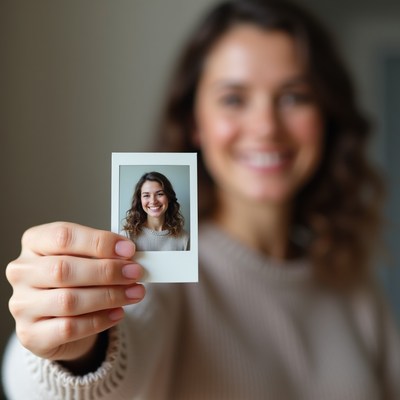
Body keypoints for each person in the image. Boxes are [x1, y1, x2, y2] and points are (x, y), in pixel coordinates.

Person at [3, 0, 400, 399]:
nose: (266, 127)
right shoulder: (162, 268)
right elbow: (50, 380)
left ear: (327, 117)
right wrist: (68, 350)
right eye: (233, 98)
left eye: (294, 97)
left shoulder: (354, 286)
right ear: (196, 123)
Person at [121, 171, 190, 251]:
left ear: (169, 197)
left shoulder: (184, 238)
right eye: (146, 195)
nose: (153, 201)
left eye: (160, 194)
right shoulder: (127, 236)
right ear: (140, 200)